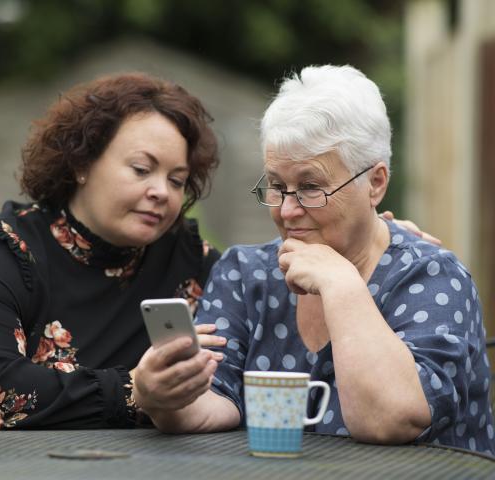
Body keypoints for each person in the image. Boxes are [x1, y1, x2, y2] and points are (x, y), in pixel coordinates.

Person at [133, 65, 495, 455]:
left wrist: (341, 284)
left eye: (309, 187)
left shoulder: (432, 277)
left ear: (375, 183)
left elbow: (391, 419)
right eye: (276, 186)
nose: (287, 211)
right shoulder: (246, 274)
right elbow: (213, 399)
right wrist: (165, 398)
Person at [0, 72, 226, 429]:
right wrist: (134, 391)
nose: (161, 191)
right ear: (82, 163)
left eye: (176, 180)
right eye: (142, 169)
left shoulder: (192, 261)